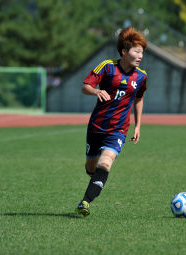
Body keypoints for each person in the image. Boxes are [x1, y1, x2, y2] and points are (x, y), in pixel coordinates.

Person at [75, 27, 148, 217]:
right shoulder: (107, 66)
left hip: (118, 130)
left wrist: (138, 125)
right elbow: (85, 86)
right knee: (91, 166)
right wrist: (96, 91)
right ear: (124, 52)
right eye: (136, 51)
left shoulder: (141, 76)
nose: (140, 55)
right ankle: (93, 177)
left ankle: (85, 202)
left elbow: (138, 99)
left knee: (105, 163)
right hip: (96, 126)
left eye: (142, 52)